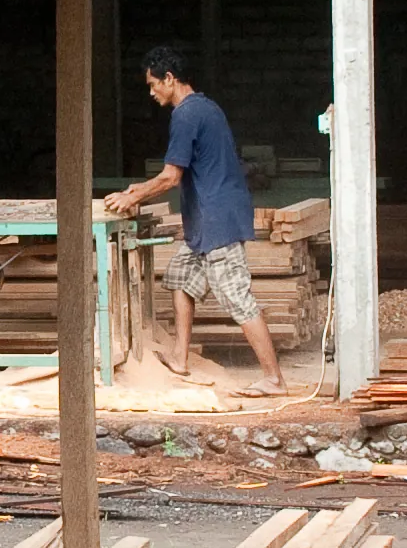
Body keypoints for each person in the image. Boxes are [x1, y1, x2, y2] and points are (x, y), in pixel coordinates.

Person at [100, 45, 286, 397]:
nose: (152, 93)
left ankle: (273, 378)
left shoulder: (185, 115)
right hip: (208, 216)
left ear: (170, 79)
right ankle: (181, 358)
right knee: (180, 278)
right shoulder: (205, 106)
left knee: (236, 297)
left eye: (154, 85)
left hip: (218, 219)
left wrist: (133, 197)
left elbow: (171, 176)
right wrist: (138, 187)